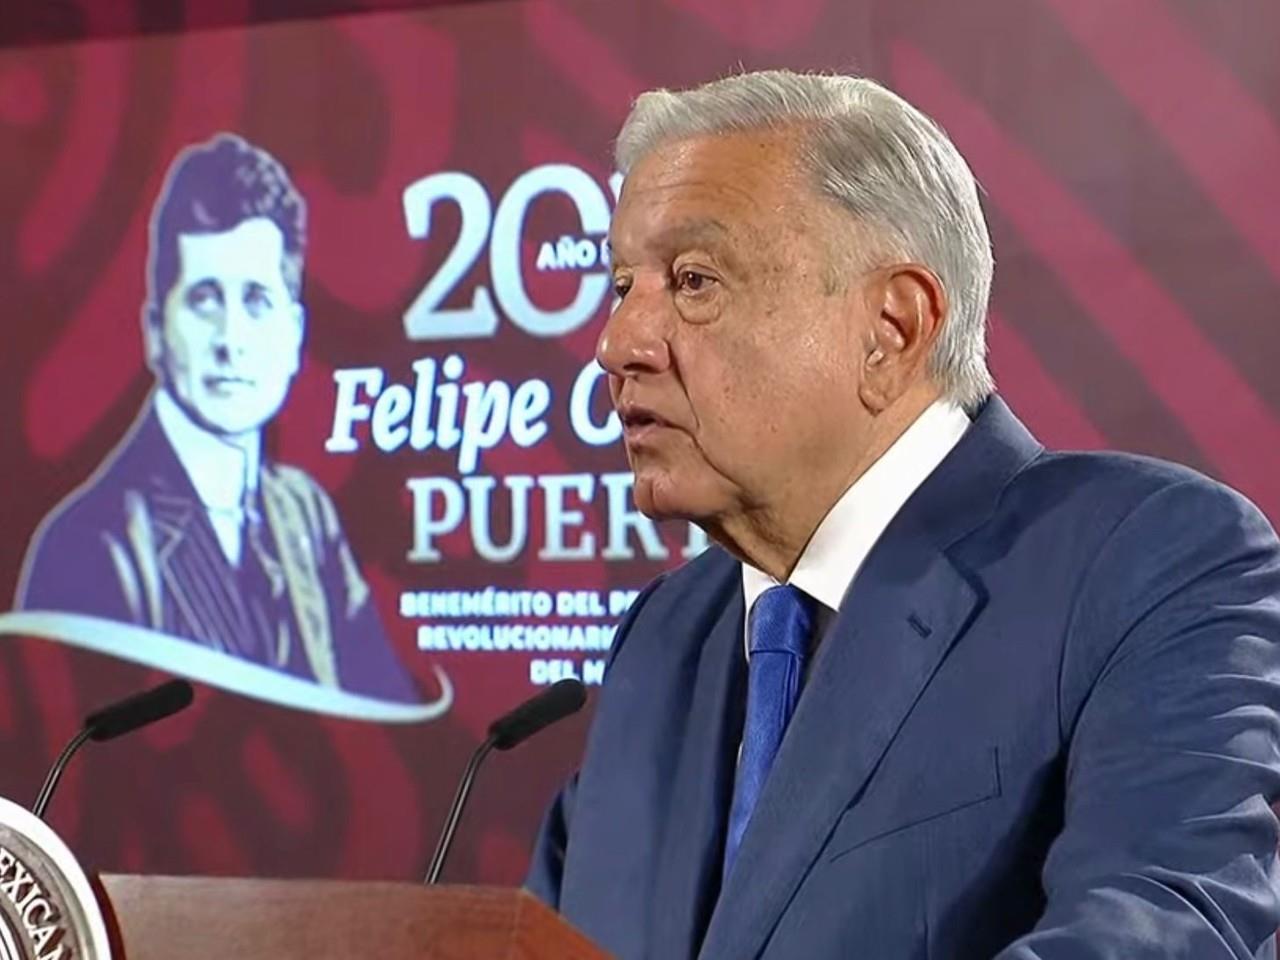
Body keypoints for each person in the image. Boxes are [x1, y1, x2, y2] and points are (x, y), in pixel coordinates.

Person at [525, 70, 1280, 958]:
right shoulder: (665, 637)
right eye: (622, 286)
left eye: (692, 281)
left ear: (892, 326)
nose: (618, 346)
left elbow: (1170, 926)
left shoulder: (1149, 561)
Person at [16, 133, 417, 704]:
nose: (231, 340)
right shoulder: (90, 546)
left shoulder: (305, 516)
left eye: (256, 300)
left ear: (294, 334)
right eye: (205, 298)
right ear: (156, 329)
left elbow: (385, 721)